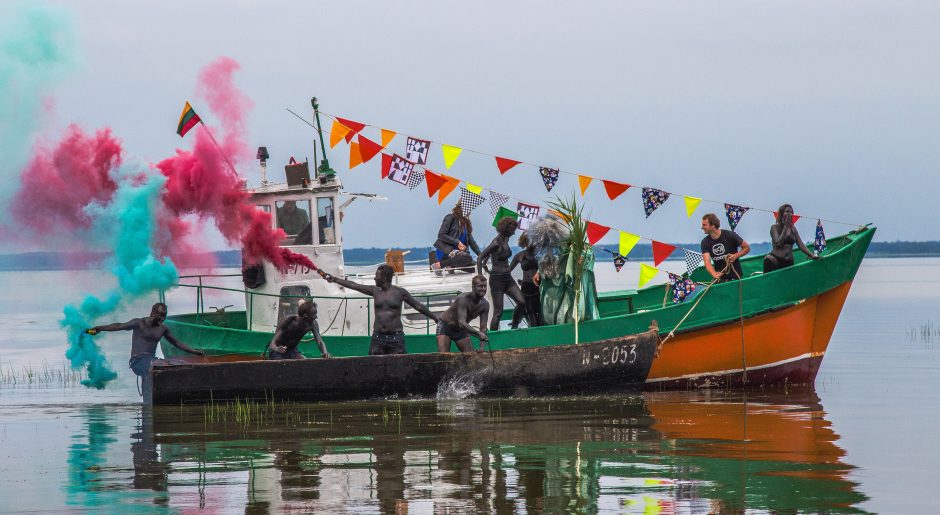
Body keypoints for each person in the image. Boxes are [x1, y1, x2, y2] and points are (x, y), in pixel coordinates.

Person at [318, 264, 439, 355]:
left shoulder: (400, 292)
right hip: (378, 338)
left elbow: (417, 305)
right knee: (374, 367)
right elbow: (354, 285)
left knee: (399, 368)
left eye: (377, 276)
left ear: (384, 277)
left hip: (396, 338)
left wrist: (434, 318)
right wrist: (334, 279)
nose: (374, 278)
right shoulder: (375, 291)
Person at [87, 302, 204, 377]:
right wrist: (101, 328)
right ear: (152, 313)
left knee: (179, 363)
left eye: (164, 316)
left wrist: (194, 351)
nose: (162, 319)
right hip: (137, 361)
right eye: (159, 315)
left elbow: (177, 343)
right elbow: (119, 326)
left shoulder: (163, 329)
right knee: (158, 363)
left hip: (152, 360)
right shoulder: (140, 323)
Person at [478, 216, 526, 330]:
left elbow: (487, 258)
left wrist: (486, 265)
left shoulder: (506, 239)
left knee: (522, 302)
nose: (514, 233)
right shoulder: (496, 242)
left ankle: (514, 326)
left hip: (507, 278)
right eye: (513, 231)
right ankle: (493, 338)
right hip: (497, 280)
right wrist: (480, 276)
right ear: (506, 229)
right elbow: (480, 258)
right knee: (498, 312)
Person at [436, 275, 490, 353]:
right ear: (473, 287)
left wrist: (481, 346)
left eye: (485, 286)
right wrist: (478, 333)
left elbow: (483, 327)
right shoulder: (463, 298)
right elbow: (461, 322)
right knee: (443, 357)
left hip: (461, 329)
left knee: (470, 356)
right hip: (446, 326)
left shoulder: (485, 305)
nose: (483, 289)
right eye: (480, 286)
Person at [266, 301, 331, 360]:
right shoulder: (288, 320)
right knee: (282, 366)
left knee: (304, 361)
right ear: (305, 315)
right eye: (314, 315)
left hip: (292, 350)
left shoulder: (313, 324)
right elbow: (272, 344)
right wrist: (277, 349)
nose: (316, 317)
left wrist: (325, 352)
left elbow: (320, 341)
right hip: (278, 351)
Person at [764, 204, 819, 273]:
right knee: (768, 259)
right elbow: (778, 243)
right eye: (787, 211)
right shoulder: (774, 227)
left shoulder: (793, 229)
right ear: (781, 213)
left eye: (791, 212)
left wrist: (811, 255)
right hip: (775, 261)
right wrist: (786, 226)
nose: (789, 214)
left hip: (788, 262)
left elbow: (801, 244)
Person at [700, 213, 751, 282]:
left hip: (736, 278)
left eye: (704, 225)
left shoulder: (730, 235)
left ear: (713, 225)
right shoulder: (705, 242)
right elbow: (707, 262)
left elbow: (746, 248)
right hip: (720, 279)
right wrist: (713, 273)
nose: (702, 227)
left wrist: (735, 256)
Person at [432, 202, 481, 272]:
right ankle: (439, 265)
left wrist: (481, 255)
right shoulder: (450, 217)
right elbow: (441, 235)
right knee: (467, 258)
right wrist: (457, 242)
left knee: (475, 268)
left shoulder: (465, 223)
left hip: (460, 256)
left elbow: (472, 242)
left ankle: (451, 265)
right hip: (446, 251)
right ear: (461, 207)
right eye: (469, 208)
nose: (470, 211)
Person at [509, 231, 543, 328]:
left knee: (539, 313)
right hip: (526, 287)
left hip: (539, 287)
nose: (531, 242)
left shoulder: (540, 254)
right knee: (531, 314)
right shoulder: (519, 256)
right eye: (529, 240)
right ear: (525, 242)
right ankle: (515, 324)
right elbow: (508, 271)